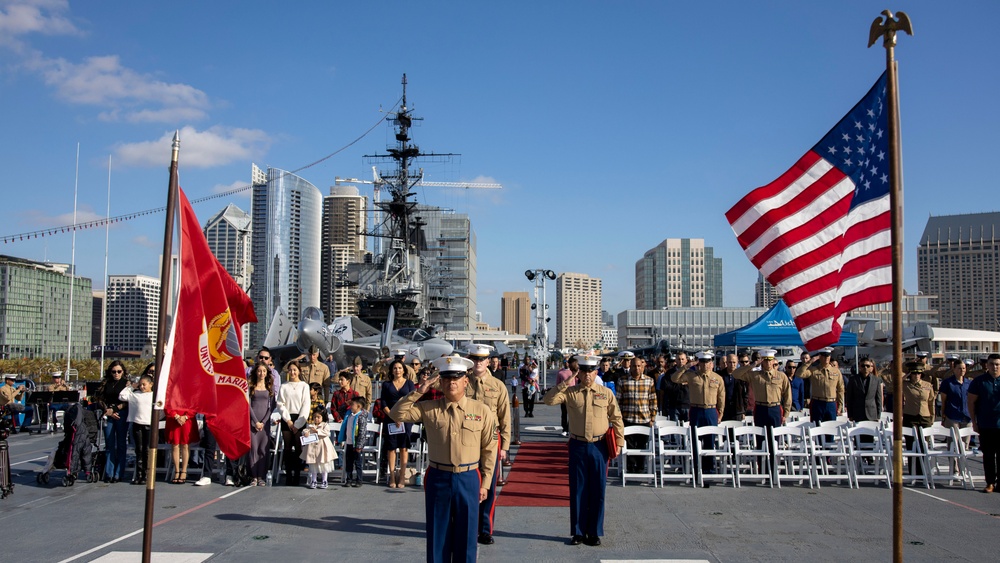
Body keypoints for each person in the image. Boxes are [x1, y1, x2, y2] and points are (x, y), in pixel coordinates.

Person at [390, 355, 498, 563]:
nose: (452, 383)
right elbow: (397, 414)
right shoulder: (429, 408)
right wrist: (419, 391)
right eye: (447, 379)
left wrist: (485, 483)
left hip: (468, 477)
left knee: (467, 536)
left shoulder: (481, 411)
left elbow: (489, 450)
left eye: (456, 378)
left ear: (466, 381)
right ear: (441, 382)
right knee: (437, 534)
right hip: (439, 477)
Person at [543, 354, 624, 547]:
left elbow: (617, 418)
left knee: (598, 489)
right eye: (583, 371)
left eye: (591, 371)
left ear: (596, 372)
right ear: (579, 373)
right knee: (578, 489)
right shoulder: (571, 393)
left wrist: (619, 443)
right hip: (578, 445)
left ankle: (594, 532)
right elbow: (548, 400)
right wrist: (567, 381)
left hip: (599, 446)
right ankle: (578, 532)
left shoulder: (606, 393)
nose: (587, 375)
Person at [465, 343, 512, 546]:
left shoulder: (498, 386)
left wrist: (505, 447)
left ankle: (484, 529)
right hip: (467, 439)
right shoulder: (462, 382)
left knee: (489, 486)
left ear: (488, 361)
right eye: (475, 359)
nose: (478, 363)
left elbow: (505, 417)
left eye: (482, 359)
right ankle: (467, 527)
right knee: (468, 484)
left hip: (491, 440)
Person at [671, 351, 725, 485]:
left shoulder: (717, 378)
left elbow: (721, 397)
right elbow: (675, 378)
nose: (705, 365)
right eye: (702, 362)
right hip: (696, 410)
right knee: (695, 442)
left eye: (708, 362)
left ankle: (709, 471)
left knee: (710, 442)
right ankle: (696, 469)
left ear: (711, 363)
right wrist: (686, 366)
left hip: (711, 411)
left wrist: (721, 413)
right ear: (698, 363)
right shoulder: (691, 375)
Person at [616, 355, 657, 473]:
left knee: (642, 445)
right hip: (628, 418)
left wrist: (652, 418)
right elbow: (618, 401)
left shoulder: (649, 381)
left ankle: (640, 467)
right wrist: (619, 419)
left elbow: (653, 400)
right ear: (630, 366)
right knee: (629, 445)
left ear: (643, 366)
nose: (637, 368)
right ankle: (630, 467)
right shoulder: (623, 380)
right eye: (634, 366)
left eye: (639, 366)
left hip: (644, 419)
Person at [732, 349, 791, 428]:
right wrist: (752, 365)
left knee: (776, 437)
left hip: (775, 408)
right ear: (762, 361)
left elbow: (787, 395)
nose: (768, 363)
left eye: (770, 360)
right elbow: (736, 374)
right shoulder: (755, 375)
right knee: (760, 436)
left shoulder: (781, 376)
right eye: (765, 360)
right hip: (760, 408)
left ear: (773, 361)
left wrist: (786, 413)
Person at [968, 354, 1000, 493]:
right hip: (986, 424)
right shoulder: (979, 381)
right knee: (988, 455)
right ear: (987, 365)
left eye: (998, 364)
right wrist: (974, 422)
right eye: (992, 364)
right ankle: (990, 483)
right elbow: (971, 402)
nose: (995, 367)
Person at [381, 360, 416, 488]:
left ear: (404, 370)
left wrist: (401, 416)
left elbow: (412, 400)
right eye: (395, 368)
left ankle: (402, 476)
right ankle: (391, 475)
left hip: (405, 420)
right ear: (391, 370)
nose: (397, 370)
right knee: (391, 448)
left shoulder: (409, 384)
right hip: (391, 419)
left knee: (403, 447)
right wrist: (393, 416)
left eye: (400, 368)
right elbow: (383, 403)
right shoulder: (386, 385)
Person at [277, 361, 310, 486]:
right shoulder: (284, 386)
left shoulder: (304, 386)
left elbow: (306, 405)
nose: (292, 372)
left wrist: (298, 424)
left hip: (299, 419)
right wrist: (288, 420)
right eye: (290, 370)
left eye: (295, 370)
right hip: (287, 419)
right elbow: (280, 404)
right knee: (287, 448)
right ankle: (288, 475)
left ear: (299, 371)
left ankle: (297, 475)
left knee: (298, 449)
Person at [97, 361, 130, 483]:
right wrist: (107, 410)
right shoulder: (106, 383)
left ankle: (118, 473)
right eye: (114, 371)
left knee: (121, 444)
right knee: (109, 444)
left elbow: (127, 401)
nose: (116, 374)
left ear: (123, 372)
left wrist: (114, 409)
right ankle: (109, 473)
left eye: (119, 371)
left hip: (121, 414)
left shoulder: (126, 384)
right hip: (108, 415)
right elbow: (99, 399)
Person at [119, 369, 154, 485]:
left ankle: (146, 474)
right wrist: (131, 387)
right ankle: (139, 474)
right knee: (138, 449)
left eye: (145, 384)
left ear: (151, 384)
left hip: (148, 425)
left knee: (147, 450)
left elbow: (160, 410)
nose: (142, 387)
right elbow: (122, 396)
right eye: (141, 384)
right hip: (137, 424)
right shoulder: (135, 394)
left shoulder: (153, 396)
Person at [900, 361, 935, 475]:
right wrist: (906, 375)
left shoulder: (927, 385)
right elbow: (893, 386)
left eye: (918, 374)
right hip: (910, 416)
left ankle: (922, 471)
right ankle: (913, 471)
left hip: (925, 417)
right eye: (914, 374)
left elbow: (931, 402)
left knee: (923, 444)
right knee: (911, 444)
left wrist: (932, 417)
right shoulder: (905, 384)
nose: (916, 376)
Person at [939, 357, 972, 476]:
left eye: (964, 368)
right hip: (952, 416)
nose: (962, 370)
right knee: (953, 444)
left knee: (965, 445)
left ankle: (963, 469)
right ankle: (954, 470)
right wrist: (943, 415)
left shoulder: (969, 383)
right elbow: (944, 400)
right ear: (954, 369)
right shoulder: (948, 383)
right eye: (959, 368)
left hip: (966, 417)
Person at [797, 348, 844, 423]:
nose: (826, 358)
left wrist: (840, 406)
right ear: (820, 357)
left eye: (828, 356)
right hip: (817, 403)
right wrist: (810, 361)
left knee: (831, 430)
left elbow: (840, 389)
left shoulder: (836, 371)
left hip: (831, 403)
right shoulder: (813, 370)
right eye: (824, 356)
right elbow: (799, 374)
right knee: (817, 429)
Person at [247, 361, 276, 486]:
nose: (262, 373)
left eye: (264, 371)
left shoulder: (270, 387)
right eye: (259, 371)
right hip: (252, 422)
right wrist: (255, 421)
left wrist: (263, 422)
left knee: (263, 449)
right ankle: (253, 476)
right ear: (256, 372)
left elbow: (272, 406)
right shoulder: (250, 386)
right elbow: (247, 405)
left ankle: (261, 476)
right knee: (253, 449)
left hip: (265, 424)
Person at [165, 384, 200, 484]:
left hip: (186, 420)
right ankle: (176, 470)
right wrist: (175, 416)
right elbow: (167, 404)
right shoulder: (171, 389)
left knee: (185, 445)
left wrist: (186, 416)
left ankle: (184, 470)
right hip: (174, 420)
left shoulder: (191, 390)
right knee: (175, 445)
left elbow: (195, 405)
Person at [338, 396, 371, 487]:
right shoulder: (349, 414)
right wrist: (346, 404)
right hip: (349, 442)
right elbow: (340, 410)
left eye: (352, 404)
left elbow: (362, 432)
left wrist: (359, 445)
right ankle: (349, 479)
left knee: (358, 463)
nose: (351, 406)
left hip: (356, 444)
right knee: (349, 462)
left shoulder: (361, 416)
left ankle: (359, 480)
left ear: (359, 406)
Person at [301, 408, 337, 489]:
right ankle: (314, 480)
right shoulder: (311, 425)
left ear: (322, 417)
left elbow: (326, 433)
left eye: (318, 417)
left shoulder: (325, 425)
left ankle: (324, 480)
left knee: (324, 463)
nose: (316, 419)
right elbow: (305, 431)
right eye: (314, 417)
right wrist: (305, 433)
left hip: (323, 446)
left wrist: (317, 431)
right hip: (313, 447)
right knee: (314, 464)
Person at [845, 357, 883, 423]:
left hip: (872, 414)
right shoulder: (853, 379)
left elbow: (878, 398)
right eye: (863, 365)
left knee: (871, 433)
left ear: (871, 367)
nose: (865, 367)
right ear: (859, 366)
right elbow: (849, 398)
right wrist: (850, 415)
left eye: (867, 366)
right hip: (857, 414)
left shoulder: (876, 380)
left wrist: (878, 415)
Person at [555, 357, 580, 437]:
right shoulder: (560, 372)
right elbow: (557, 384)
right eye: (565, 361)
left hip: (573, 394)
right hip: (564, 395)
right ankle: (564, 429)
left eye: (567, 361)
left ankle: (570, 428)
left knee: (572, 413)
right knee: (564, 413)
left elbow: (577, 382)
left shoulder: (573, 372)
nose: (566, 363)